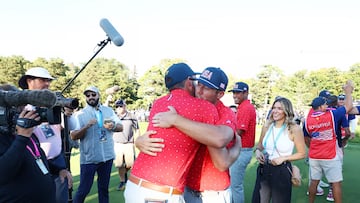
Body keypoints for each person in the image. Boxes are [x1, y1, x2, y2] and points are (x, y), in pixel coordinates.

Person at [124, 63, 220, 203]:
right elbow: (218, 140)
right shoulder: (205, 107)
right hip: (159, 194)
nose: (198, 87)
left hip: (134, 185)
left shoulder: (158, 103)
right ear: (188, 82)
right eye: (195, 82)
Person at [148, 67, 240, 202]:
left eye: (207, 88)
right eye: (199, 85)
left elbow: (221, 158)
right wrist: (140, 140)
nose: (199, 91)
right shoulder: (191, 106)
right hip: (186, 187)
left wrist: (237, 148)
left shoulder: (225, 113)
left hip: (213, 192)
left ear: (220, 94)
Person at [18, 67, 72, 203]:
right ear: (29, 81)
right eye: (43, 80)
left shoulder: (53, 104)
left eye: (49, 81)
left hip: (58, 162)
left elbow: (71, 127)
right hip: (35, 165)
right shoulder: (20, 107)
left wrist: (68, 115)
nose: (47, 84)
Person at [303, 80, 354, 203]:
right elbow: (348, 107)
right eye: (325, 105)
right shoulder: (331, 115)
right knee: (336, 183)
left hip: (314, 155)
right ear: (321, 107)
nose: (327, 106)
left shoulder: (307, 120)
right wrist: (348, 92)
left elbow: (306, 138)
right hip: (330, 155)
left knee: (314, 182)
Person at [70, 86, 123, 203]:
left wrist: (113, 126)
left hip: (107, 157)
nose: (90, 97)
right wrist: (86, 126)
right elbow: (73, 136)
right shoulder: (80, 114)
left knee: (104, 189)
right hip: (89, 159)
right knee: (84, 190)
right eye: (88, 96)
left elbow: (121, 127)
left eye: (93, 95)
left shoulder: (108, 111)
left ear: (98, 95)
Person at [252, 97, 306, 203]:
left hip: (282, 170)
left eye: (280, 108)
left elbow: (302, 154)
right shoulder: (267, 125)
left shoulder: (294, 128)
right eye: (274, 108)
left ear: (286, 111)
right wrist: (258, 152)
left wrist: (283, 158)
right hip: (264, 169)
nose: (275, 111)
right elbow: (259, 146)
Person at [228, 81, 257, 203]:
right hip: (241, 150)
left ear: (246, 93)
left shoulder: (246, 107)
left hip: (242, 150)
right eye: (234, 92)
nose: (235, 95)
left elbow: (239, 131)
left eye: (238, 93)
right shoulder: (243, 106)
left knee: (235, 186)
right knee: (233, 185)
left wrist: (222, 139)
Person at [113, 99, 141, 191]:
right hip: (117, 143)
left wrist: (138, 140)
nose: (119, 108)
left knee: (130, 163)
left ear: (124, 106)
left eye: (121, 106)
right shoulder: (113, 117)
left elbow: (137, 129)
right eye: (117, 106)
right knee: (119, 164)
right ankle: (122, 181)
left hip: (129, 143)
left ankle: (124, 173)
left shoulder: (131, 116)